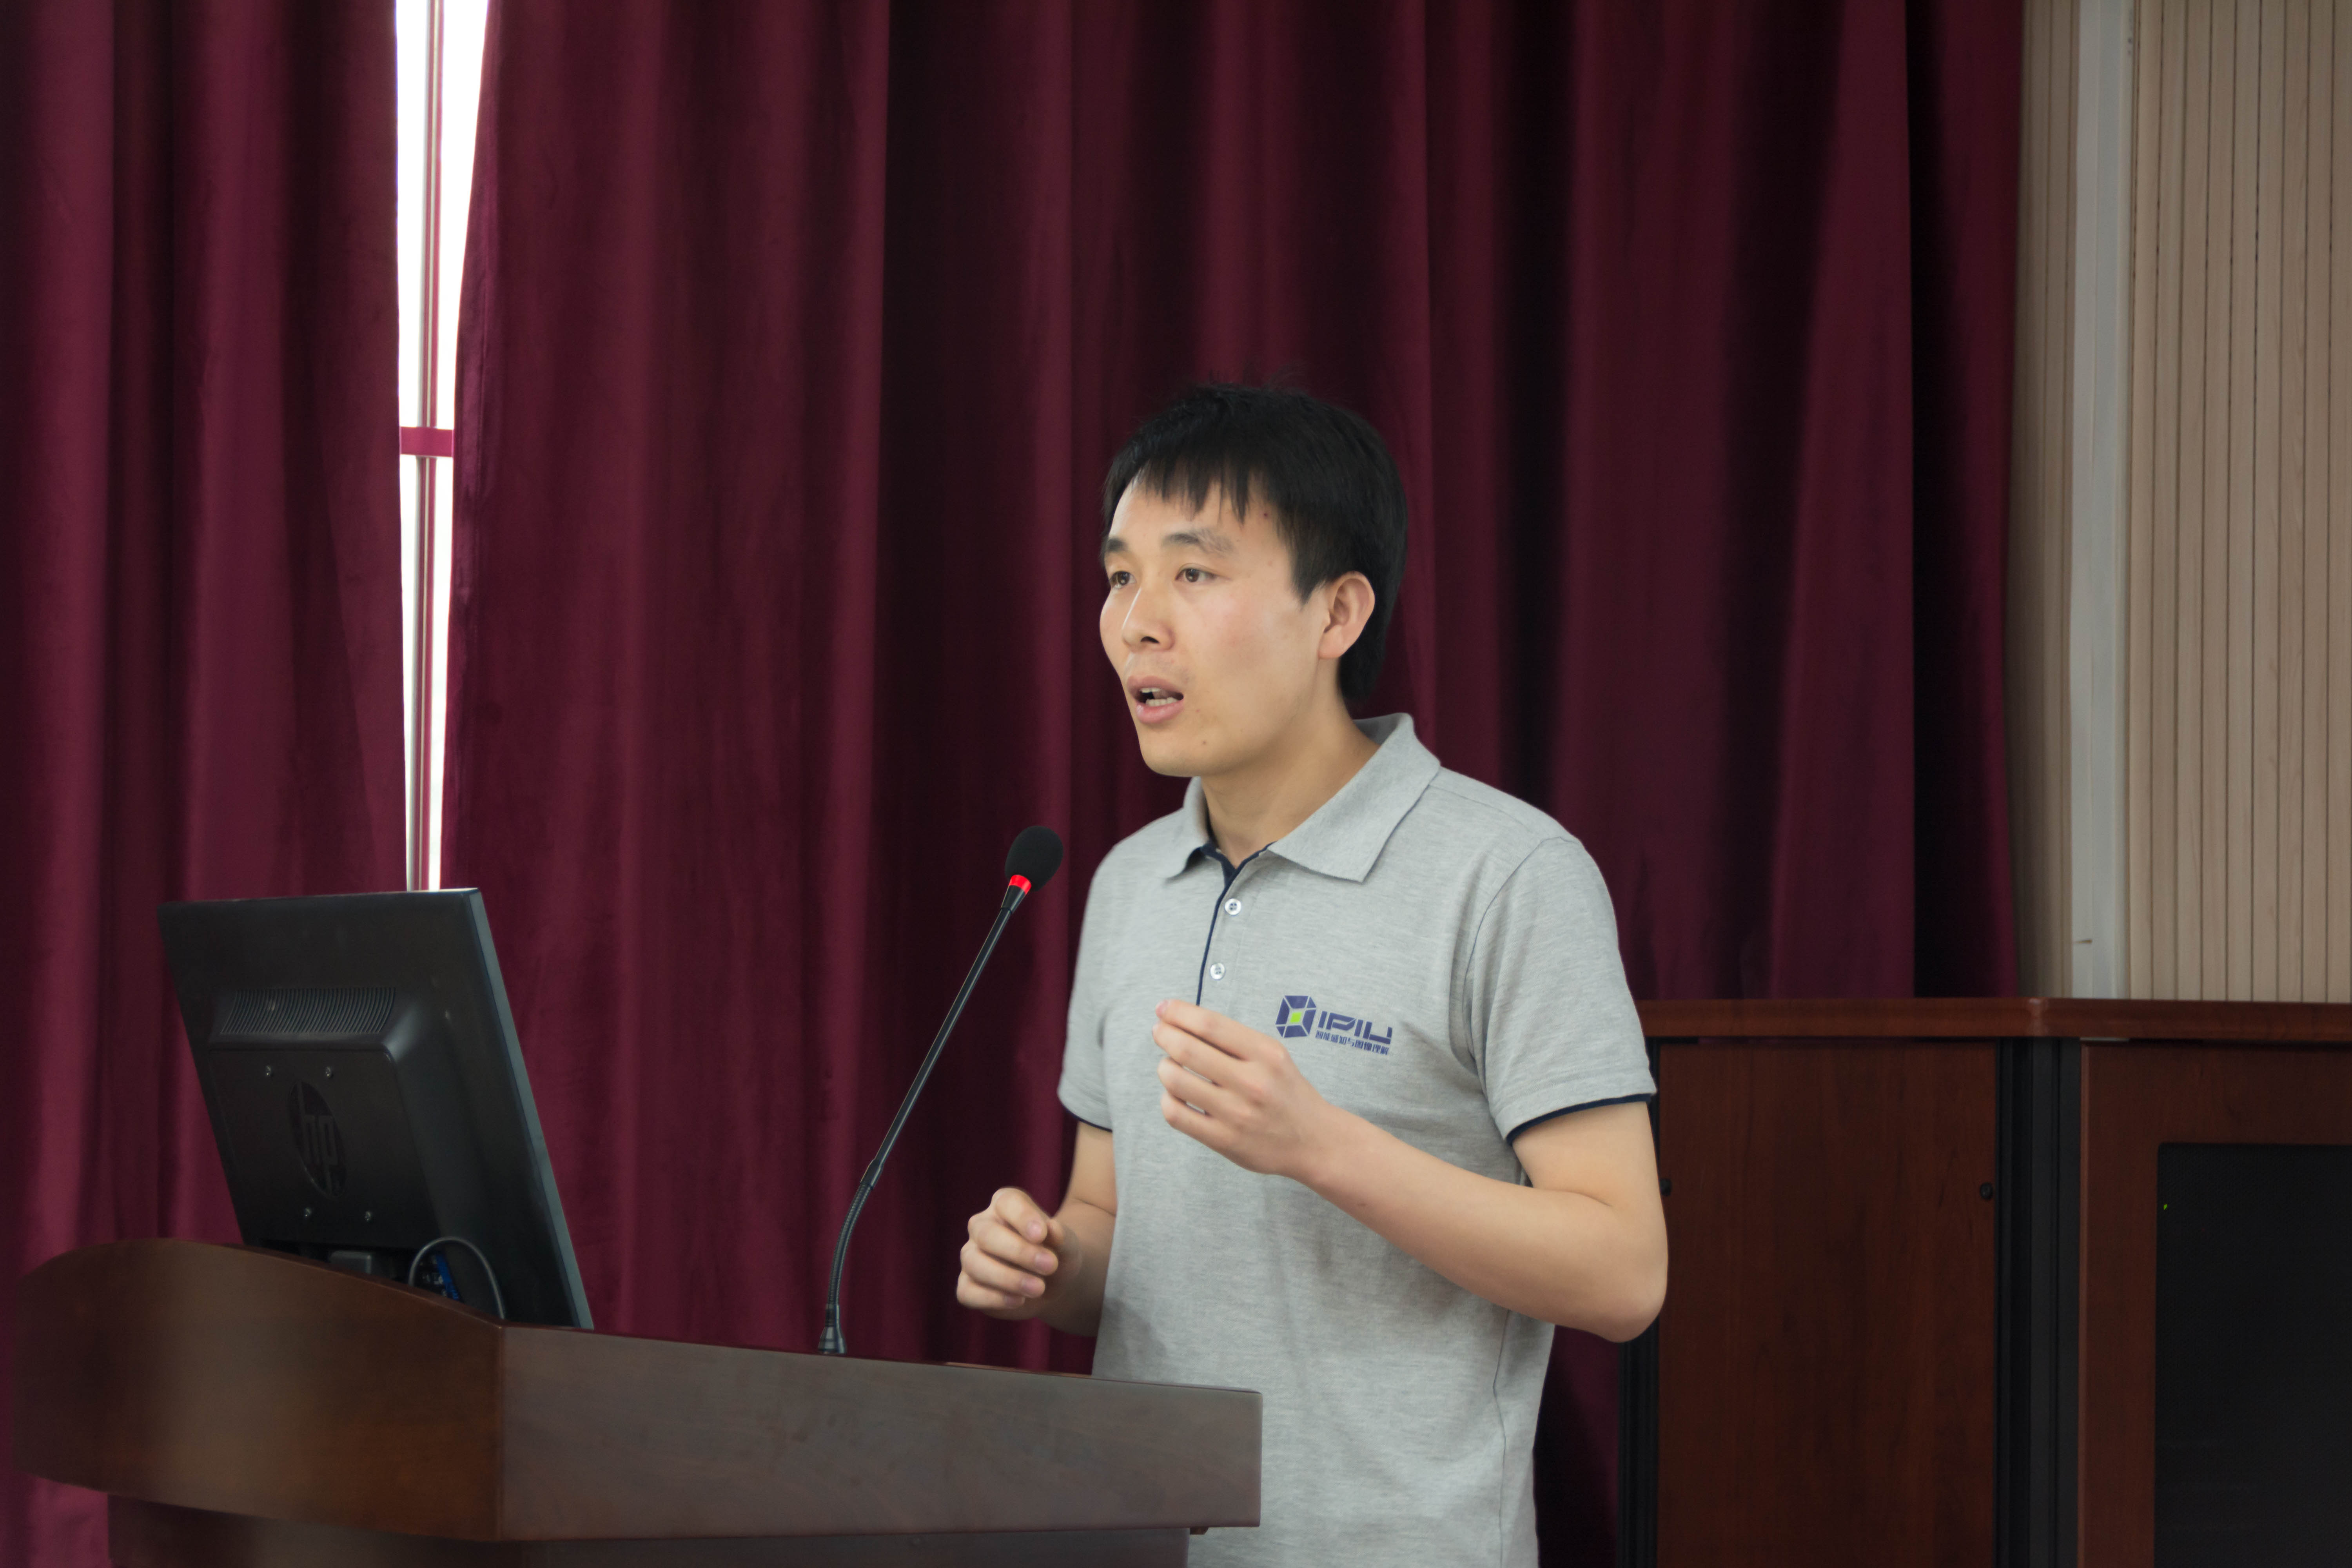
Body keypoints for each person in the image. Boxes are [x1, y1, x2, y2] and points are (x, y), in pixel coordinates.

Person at [955, 382, 1667, 1566]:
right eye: (1121, 575)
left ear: (1337, 611)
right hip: (1145, 1542)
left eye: (1194, 572)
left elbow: (1622, 1269)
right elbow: (1110, 1225)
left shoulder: (1509, 875)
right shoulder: (1130, 883)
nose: (1136, 622)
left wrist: (1320, 1146)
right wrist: (1049, 1263)